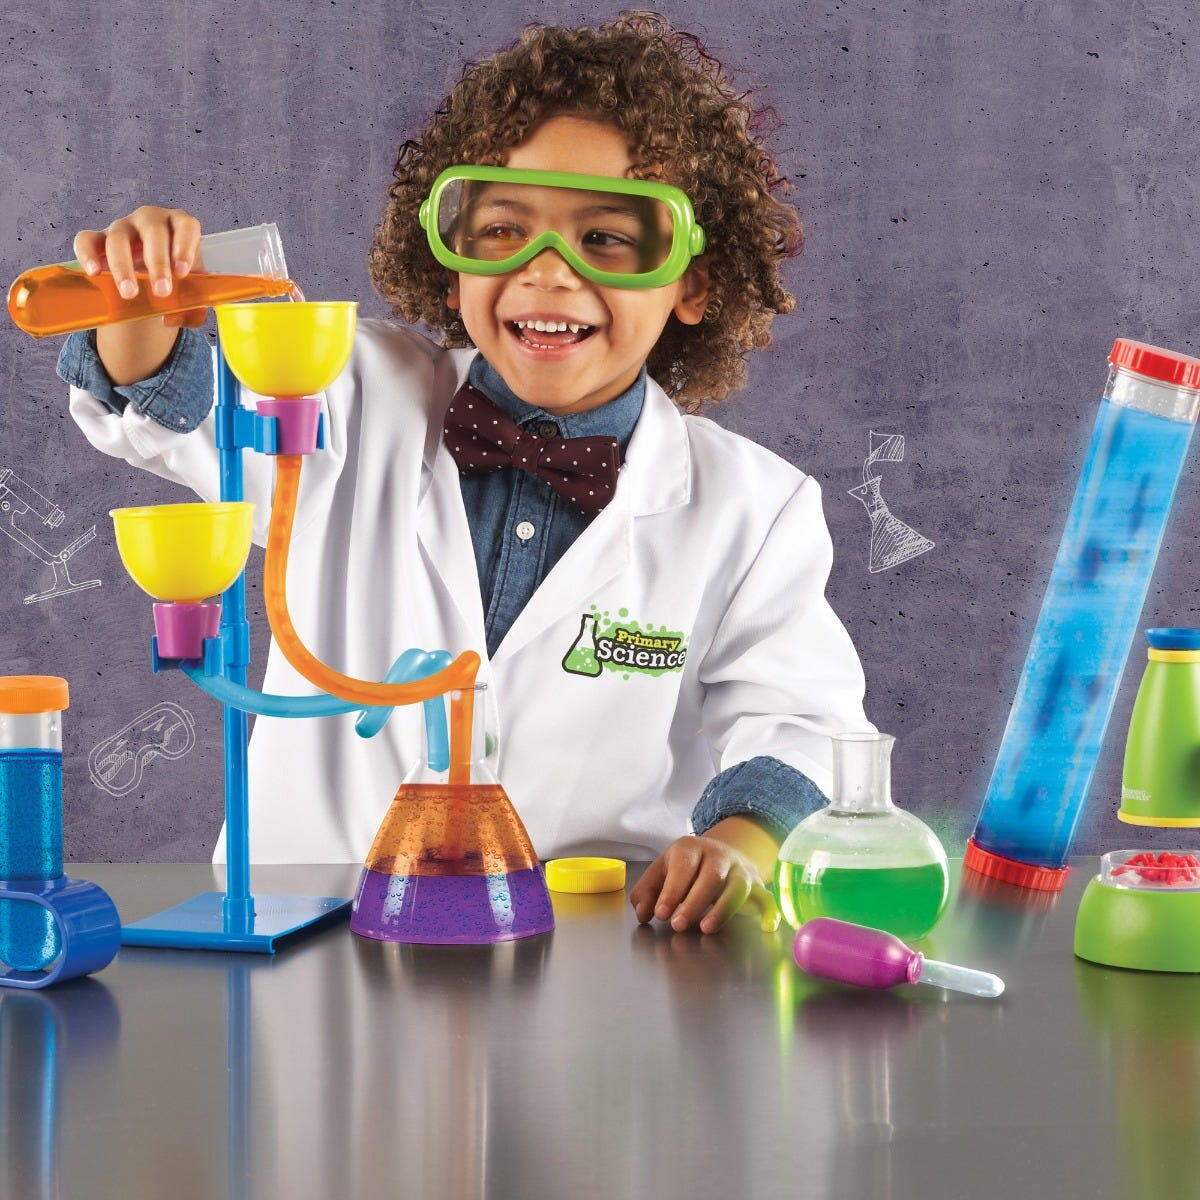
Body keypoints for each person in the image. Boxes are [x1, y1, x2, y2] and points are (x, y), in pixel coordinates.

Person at [56, 13, 870, 934]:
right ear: (448, 266)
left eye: (607, 238)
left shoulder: (753, 510)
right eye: (502, 229)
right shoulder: (346, 395)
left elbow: (799, 721)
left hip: (593, 949)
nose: (547, 272)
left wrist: (742, 843)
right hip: (314, 936)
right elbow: (178, 403)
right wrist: (141, 306)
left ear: (695, 281)